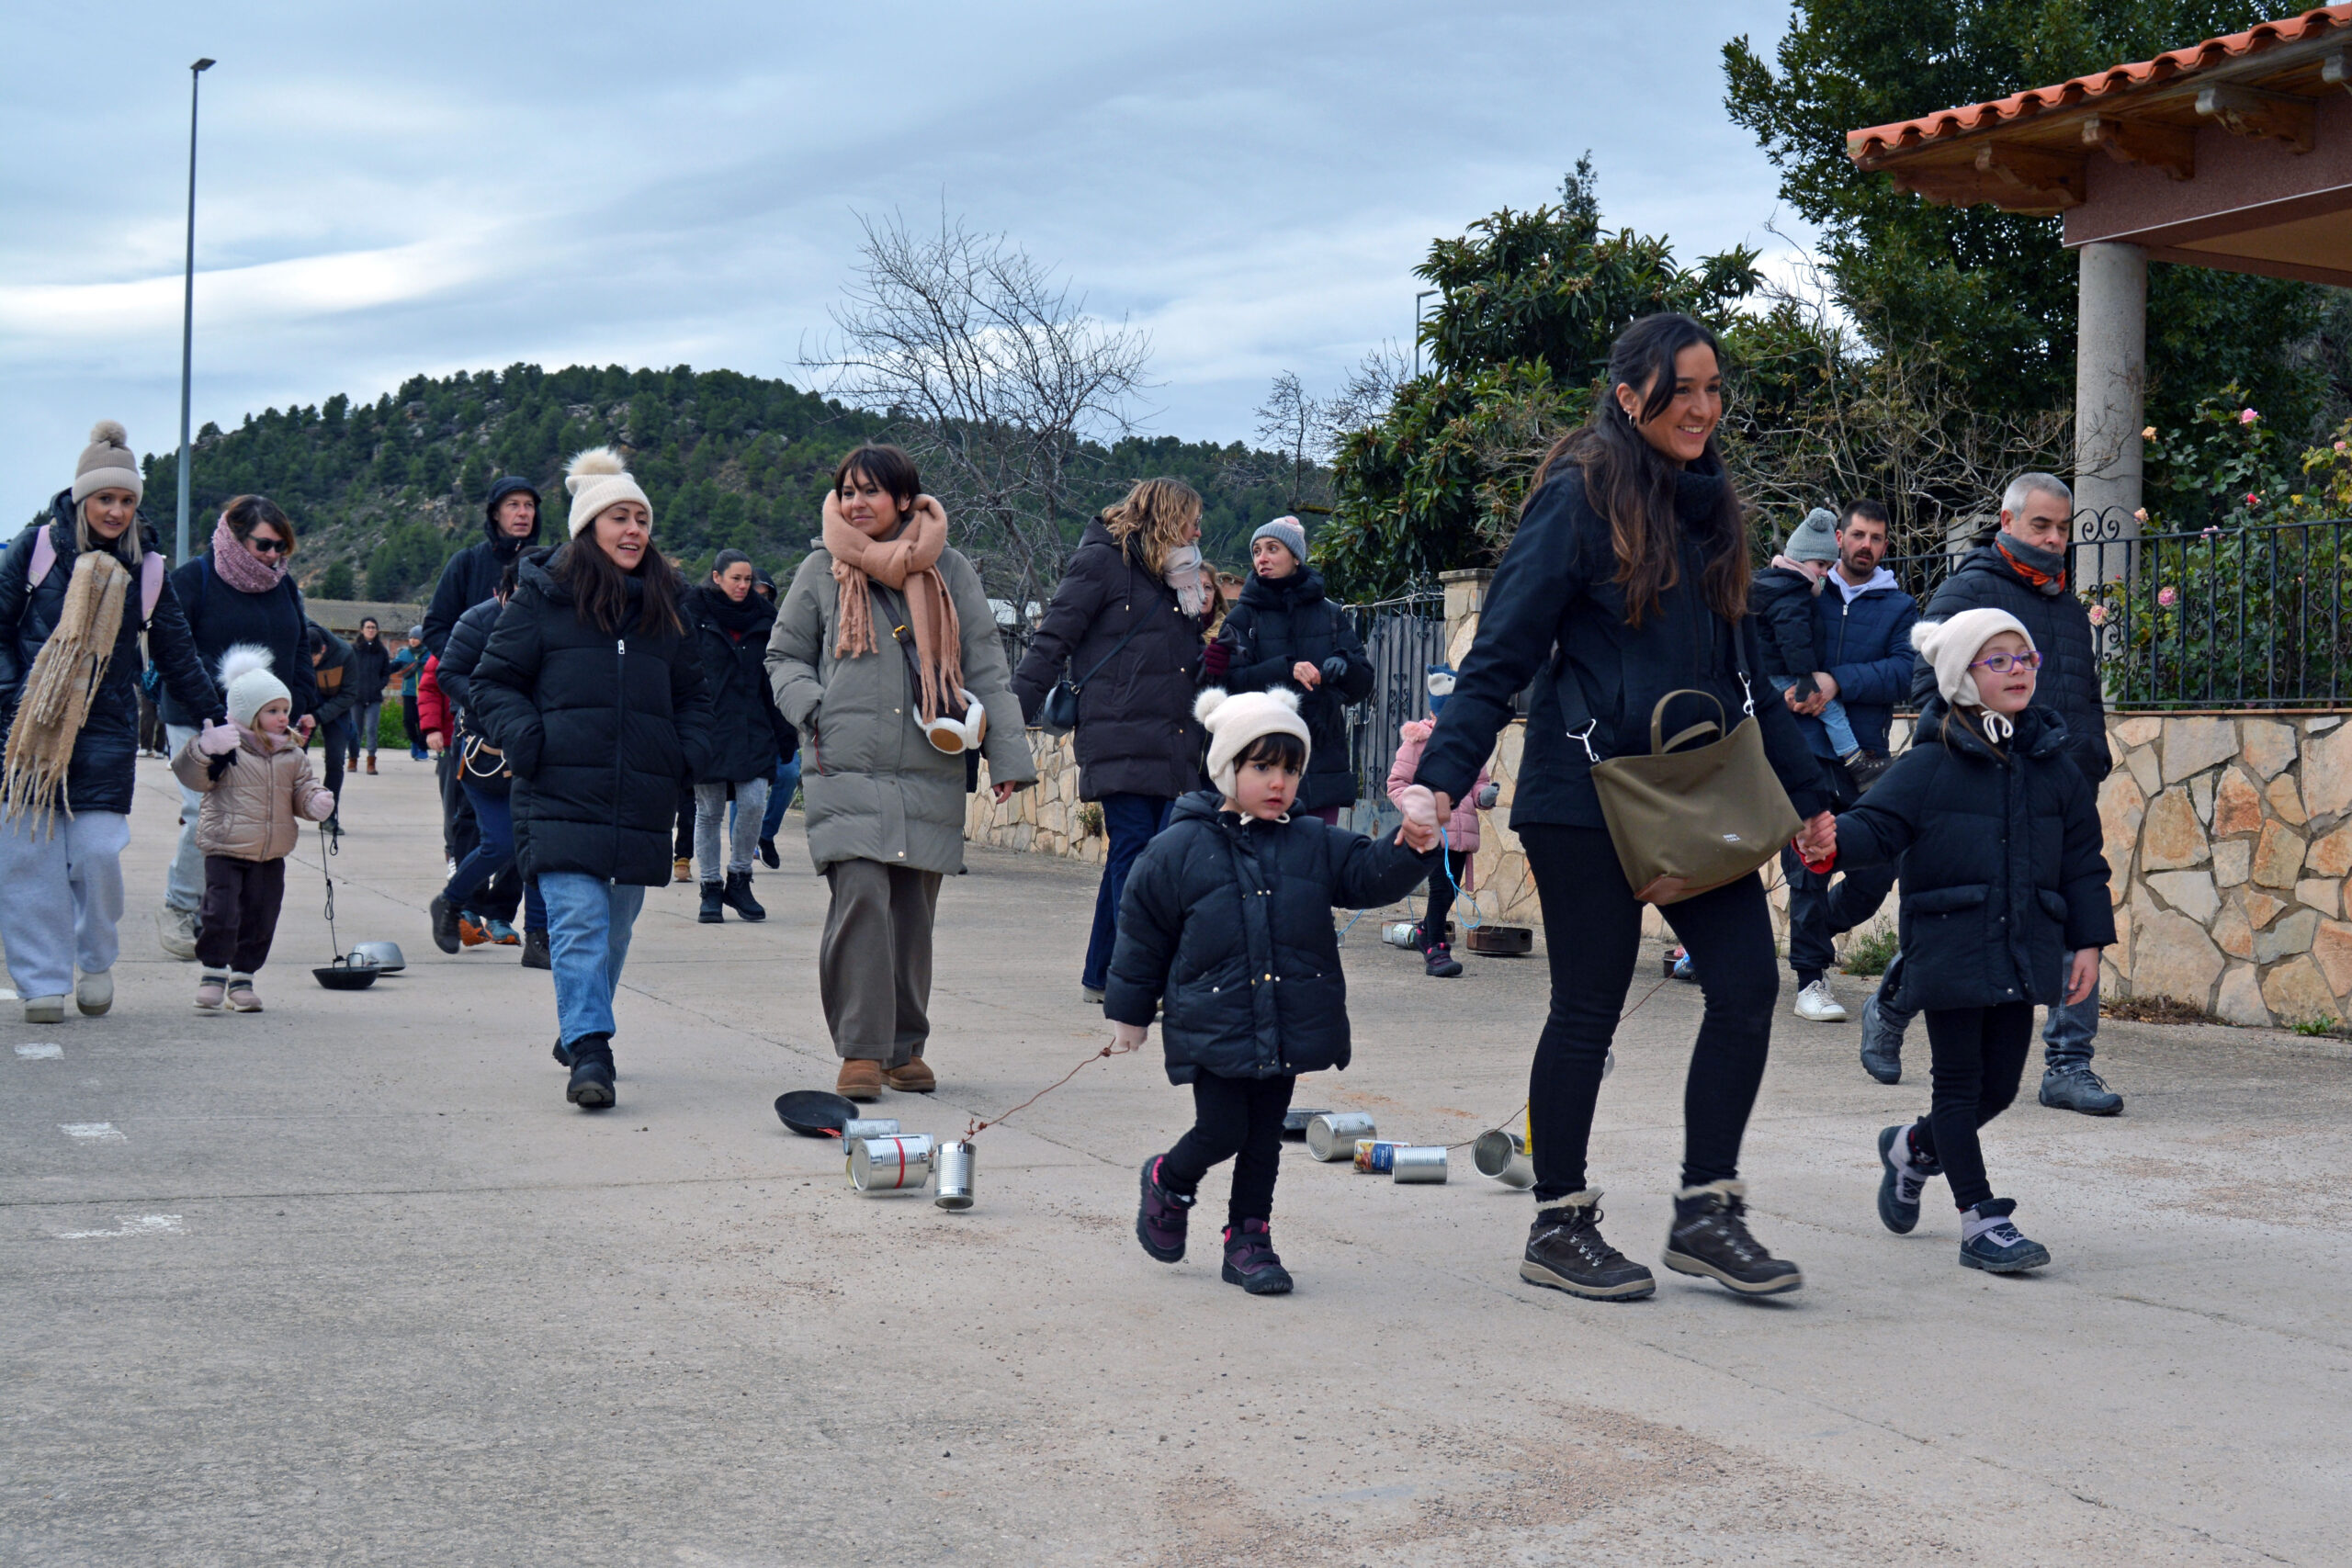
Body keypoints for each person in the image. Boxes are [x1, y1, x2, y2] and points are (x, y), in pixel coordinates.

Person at [1410, 312, 1835, 1302]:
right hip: (1583, 796)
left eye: (1714, 389)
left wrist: (1811, 797)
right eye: (1683, 389)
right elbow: (1500, 657)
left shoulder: (1710, 504)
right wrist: (1444, 775)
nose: (1702, 408)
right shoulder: (1579, 496)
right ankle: (1558, 1224)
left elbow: (1746, 678)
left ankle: (1705, 1212)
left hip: (1693, 794)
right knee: (1587, 1009)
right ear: (1631, 392)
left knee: (1743, 985)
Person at [1119, 687, 1438, 1293]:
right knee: (1223, 1129)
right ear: (1225, 767)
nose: (1278, 781)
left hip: (1285, 1017)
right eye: (1261, 765)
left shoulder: (1311, 842)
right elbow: (1142, 933)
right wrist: (1130, 1012)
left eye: (1290, 768)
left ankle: (1248, 1238)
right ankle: (1169, 1177)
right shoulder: (1179, 849)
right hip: (1213, 1022)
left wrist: (1409, 845)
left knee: (1264, 1137)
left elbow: (1368, 872)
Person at [1831, 610, 2113, 1272]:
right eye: (2000, 660)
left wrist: (2088, 943)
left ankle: (1911, 1149)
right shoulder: (1930, 762)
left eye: (2026, 657)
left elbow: (2083, 862)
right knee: (1959, 1088)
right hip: (1951, 943)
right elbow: (1873, 827)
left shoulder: (2055, 764)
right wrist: (1828, 842)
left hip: (2022, 948)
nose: (2019, 669)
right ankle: (1980, 1219)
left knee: (2000, 1090)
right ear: (1962, 678)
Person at [767, 444, 1036, 1103]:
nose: (857, 503)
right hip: (846, 762)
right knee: (860, 897)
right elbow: (784, 657)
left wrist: (1008, 756)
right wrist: (815, 710)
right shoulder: (819, 571)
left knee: (912, 914)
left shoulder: (951, 570)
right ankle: (861, 1050)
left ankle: (904, 1048)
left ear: (905, 499)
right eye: (847, 490)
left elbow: (984, 665)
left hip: (929, 760)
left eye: (871, 492)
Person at [1863, 472, 2121, 1114]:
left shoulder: (2064, 604)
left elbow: (2081, 694)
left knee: (2071, 912)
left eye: (2063, 528)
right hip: (1979, 789)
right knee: (1967, 923)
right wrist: (1976, 760)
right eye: (2042, 525)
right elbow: (1932, 690)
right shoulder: (1967, 590)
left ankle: (2069, 1061)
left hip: (2060, 785)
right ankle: (1892, 1003)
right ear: (2007, 523)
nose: (2056, 538)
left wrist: (2089, 754)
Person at [469, 447, 715, 1110]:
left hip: (640, 794)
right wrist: (526, 736)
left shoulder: (668, 605)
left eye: (641, 518)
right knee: (577, 921)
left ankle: (580, 1022)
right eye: (619, 517)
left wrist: (683, 751)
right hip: (557, 789)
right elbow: (489, 681)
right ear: (588, 528)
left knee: (615, 926)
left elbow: (694, 693)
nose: (633, 530)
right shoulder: (543, 598)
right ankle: (591, 1051)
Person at [0, 422, 220, 1022]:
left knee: (96, 855)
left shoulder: (147, 570)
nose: (117, 511)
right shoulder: (37, 548)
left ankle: (95, 959)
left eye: (127, 500)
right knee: (27, 863)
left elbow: (178, 653)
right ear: (82, 498)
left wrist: (216, 720)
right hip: (29, 732)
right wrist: (8, 698)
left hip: (103, 731)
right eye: (106, 498)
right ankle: (43, 981)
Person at [1012, 478, 1215, 1003]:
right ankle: (1139, 980)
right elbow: (1053, 639)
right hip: (1119, 733)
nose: (1198, 530)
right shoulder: (1102, 562)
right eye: (1191, 518)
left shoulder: (1177, 577)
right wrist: (1009, 721)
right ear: (1166, 517)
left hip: (1172, 740)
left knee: (1141, 858)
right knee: (1137, 856)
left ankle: (1102, 975)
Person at [1768, 499, 1918, 1027]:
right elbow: (1768, 640)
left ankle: (1814, 936)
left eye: (1876, 538)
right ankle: (1810, 979)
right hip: (1800, 752)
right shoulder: (1807, 587)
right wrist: (1784, 693)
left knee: (1878, 868)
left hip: (1865, 759)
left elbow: (1905, 673)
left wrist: (1836, 682)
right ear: (1839, 539)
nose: (1866, 546)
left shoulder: (1899, 605)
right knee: (1807, 867)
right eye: (1858, 535)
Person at [156, 495, 319, 961]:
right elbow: (175, 649)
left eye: (281, 548)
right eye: (264, 545)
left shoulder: (283, 586)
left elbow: (299, 649)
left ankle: (222, 912)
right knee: (203, 809)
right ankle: (180, 906)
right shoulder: (194, 579)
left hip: (265, 724)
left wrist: (302, 703)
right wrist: (216, 704)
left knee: (251, 816)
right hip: (197, 714)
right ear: (234, 534)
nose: (273, 557)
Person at [171, 649, 337, 1013]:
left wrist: (315, 801)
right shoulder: (227, 748)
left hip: (269, 852)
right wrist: (203, 750)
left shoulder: (292, 754)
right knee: (221, 913)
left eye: (284, 710)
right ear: (249, 714)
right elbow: (191, 776)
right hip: (225, 848)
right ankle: (214, 972)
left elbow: (301, 789)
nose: (282, 718)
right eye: (272, 711)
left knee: (262, 916)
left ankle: (243, 977)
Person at [1210, 515, 1373, 824]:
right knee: (1263, 864)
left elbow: (1363, 686)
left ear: (1296, 557)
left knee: (1316, 862)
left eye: (1273, 548)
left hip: (1322, 759)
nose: (1262, 558)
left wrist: (1345, 665)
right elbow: (1230, 684)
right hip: (1260, 760)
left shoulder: (1331, 614)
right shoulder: (1243, 618)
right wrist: (1285, 669)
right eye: (1257, 550)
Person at [430, 564, 541, 961]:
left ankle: (539, 938)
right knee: (499, 843)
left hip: (537, 749)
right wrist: (492, 703)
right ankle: (452, 902)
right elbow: (447, 674)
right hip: (485, 753)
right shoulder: (477, 621)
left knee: (539, 845)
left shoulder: (553, 621)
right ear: (504, 591)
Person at [687, 548, 795, 923]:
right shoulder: (692, 614)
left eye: (748, 580)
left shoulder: (767, 619)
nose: (744, 585)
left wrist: (786, 734)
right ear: (716, 577)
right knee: (710, 811)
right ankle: (711, 888)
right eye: (736, 578)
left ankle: (740, 878)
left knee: (752, 803)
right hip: (708, 727)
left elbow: (775, 680)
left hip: (754, 725)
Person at [1750, 510, 1878, 780]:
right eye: (1820, 564)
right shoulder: (1792, 591)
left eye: (1828, 566)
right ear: (1798, 558)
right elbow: (1793, 637)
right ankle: (1857, 764)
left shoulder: (1772, 584)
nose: (1824, 573)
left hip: (1771, 670)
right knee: (1830, 709)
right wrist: (1805, 675)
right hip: (1787, 671)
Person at [1385, 666, 1492, 978]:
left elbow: (1477, 782)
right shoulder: (1417, 743)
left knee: (1450, 890)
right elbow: (1397, 784)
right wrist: (1418, 806)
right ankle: (1434, 947)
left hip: (1461, 834)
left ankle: (1423, 931)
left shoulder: (1470, 745)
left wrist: (1484, 794)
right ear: (1434, 712)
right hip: (1431, 832)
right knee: (1441, 890)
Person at [422, 476, 541, 658]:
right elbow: (436, 628)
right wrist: (465, 671)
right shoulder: (467, 563)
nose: (523, 513)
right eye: (513, 505)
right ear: (495, 513)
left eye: (529, 505)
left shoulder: (548, 564)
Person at [304, 621, 355, 837]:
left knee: (335, 760)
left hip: (336, 709)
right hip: (306, 705)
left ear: (323, 650)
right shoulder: (300, 646)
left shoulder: (345, 654)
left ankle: (328, 817)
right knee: (290, 757)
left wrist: (318, 717)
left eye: (313, 660)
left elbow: (349, 694)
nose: (311, 665)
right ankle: (283, 812)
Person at [345, 616, 393, 773]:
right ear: (362, 630)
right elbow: (348, 670)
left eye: (373, 627)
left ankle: (371, 762)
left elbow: (386, 673)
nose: (371, 630)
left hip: (374, 697)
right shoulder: (353, 649)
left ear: (377, 630)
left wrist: (379, 685)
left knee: (372, 728)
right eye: (368, 627)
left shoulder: (382, 651)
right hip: (356, 697)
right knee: (355, 730)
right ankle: (353, 759)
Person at [392, 627, 427, 760]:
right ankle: (414, 741)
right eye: (411, 638)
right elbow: (393, 667)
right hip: (409, 692)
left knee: (422, 721)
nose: (413, 640)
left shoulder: (429, 654)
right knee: (408, 720)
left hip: (425, 692)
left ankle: (423, 749)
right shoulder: (404, 654)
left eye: (416, 638)